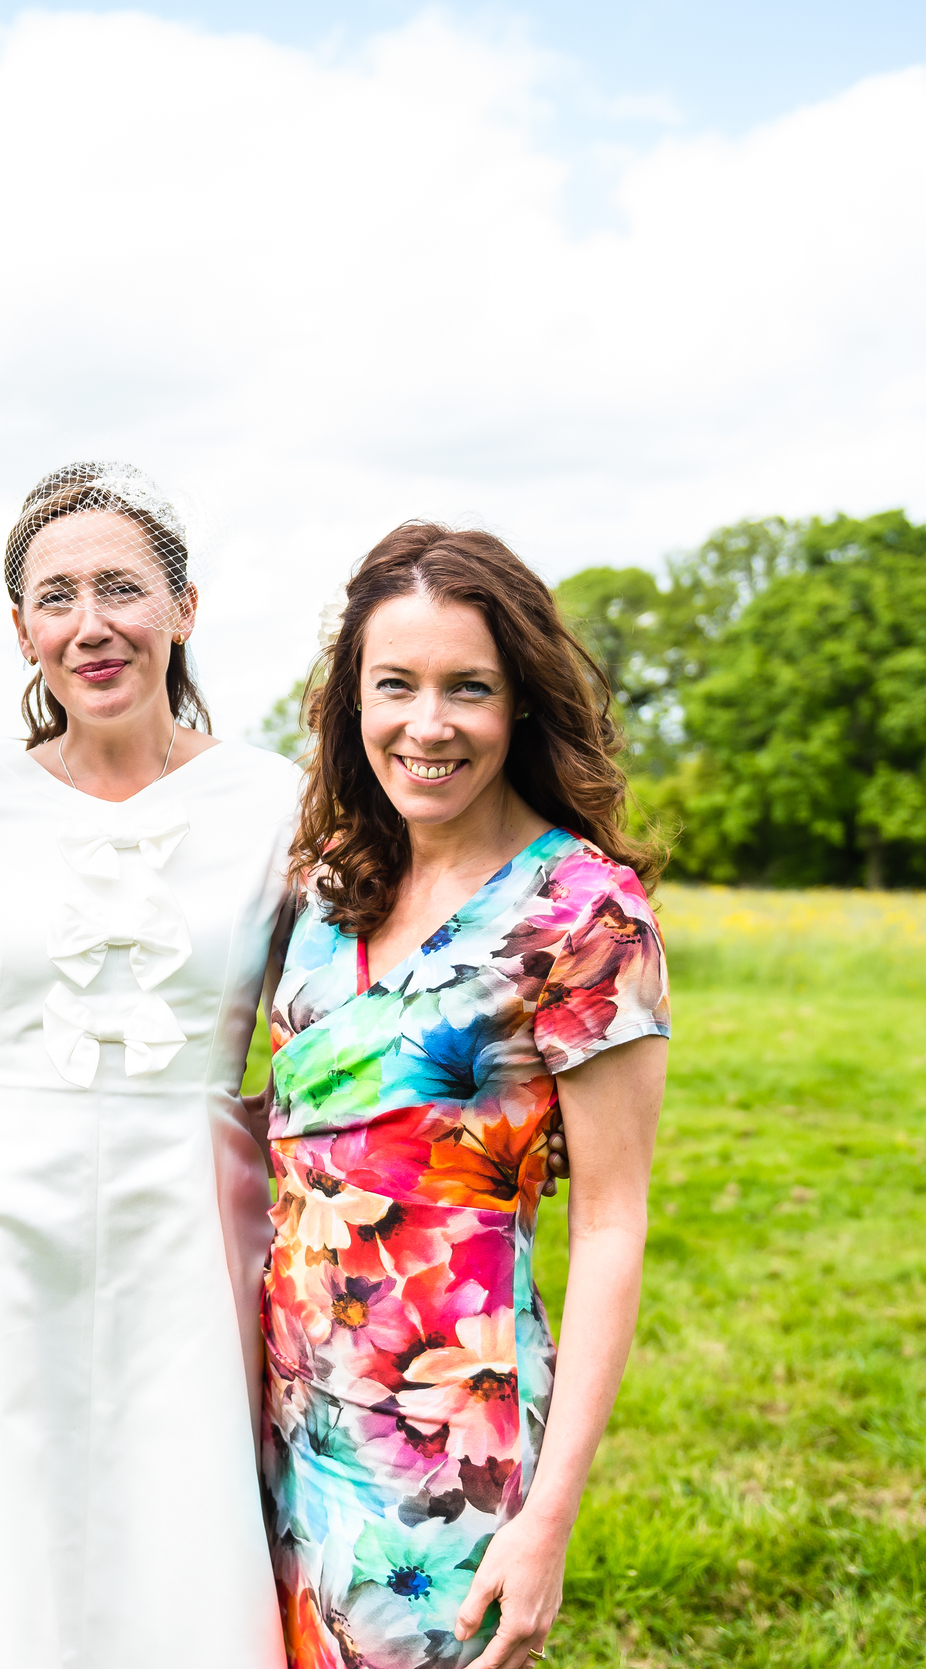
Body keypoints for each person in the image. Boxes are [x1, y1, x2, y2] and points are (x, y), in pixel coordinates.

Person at [0, 464, 296, 1668]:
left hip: (193, 1228)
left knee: (172, 1530)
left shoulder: (280, 807)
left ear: (184, 608)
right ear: (22, 629)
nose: (93, 624)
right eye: (58, 596)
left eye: (124, 588)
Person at [258, 523, 669, 1669]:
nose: (426, 723)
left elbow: (612, 1219)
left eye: (467, 689)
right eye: (394, 685)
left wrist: (547, 1516)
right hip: (277, 1405)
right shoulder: (329, 879)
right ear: (351, 703)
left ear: (519, 706)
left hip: (445, 1438)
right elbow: (295, 1128)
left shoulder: (585, 913)